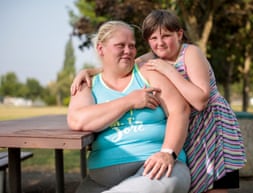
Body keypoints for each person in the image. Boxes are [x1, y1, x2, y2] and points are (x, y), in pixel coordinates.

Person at [71, 10, 246, 193]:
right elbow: (123, 63)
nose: (159, 43)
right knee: (197, 183)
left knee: (216, 181)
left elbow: (200, 100)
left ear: (179, 34)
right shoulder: (153, 56)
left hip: (211, 123)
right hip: (189, 127)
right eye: (153, 38)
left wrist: (169, 71)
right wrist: (88, 72)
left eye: (166, 36)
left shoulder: (190, 53)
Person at [67, 20, 191, 193]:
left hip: (157, 169)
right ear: (101, 49)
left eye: (132, 46)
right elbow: (78, 120)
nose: (128, 51)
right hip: (103, 178)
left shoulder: (148, 73)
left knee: (167, 181)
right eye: (120, 45)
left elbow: (180, 110)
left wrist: (167, 153)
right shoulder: (87, 84)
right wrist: (129, 101)